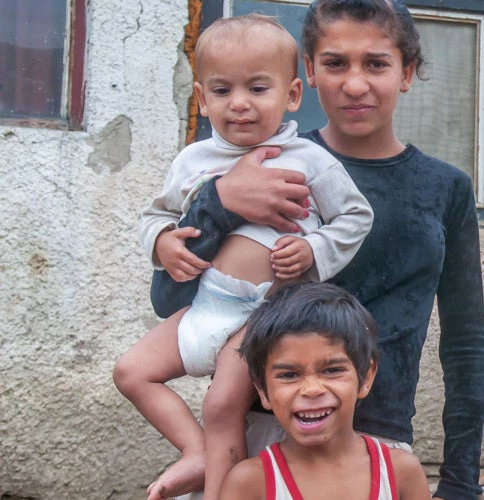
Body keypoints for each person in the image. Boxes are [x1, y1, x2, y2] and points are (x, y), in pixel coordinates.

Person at [154, 1, 484, 498]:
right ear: (307, 73)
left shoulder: (445, 188)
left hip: (380, 440)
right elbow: (171, 299)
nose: (355, 84)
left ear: (407, 72)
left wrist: (461, 482)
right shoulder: (263, 162)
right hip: (262, 436)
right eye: (335, 63)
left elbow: (464, 343)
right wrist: (217, 204)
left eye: (376, 63)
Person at [115, 14, 373, 500]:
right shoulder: (191, 161)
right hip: (204, 306)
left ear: (292, 94)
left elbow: (356, 217)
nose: (239, 104)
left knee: (220, 406)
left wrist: (315, 250)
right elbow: (155, 216)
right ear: (200, 98)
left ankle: (216, 494)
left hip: (258, 316)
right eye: (221, 90)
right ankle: (193, 452)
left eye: (258, 88)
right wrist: (163, 242)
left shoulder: (309, 159)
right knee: (131, 371)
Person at [221, 282, 430, 499]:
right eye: (289, 375)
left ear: (367, 376)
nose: (312, 389)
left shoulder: (401, 473)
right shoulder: (251, 483)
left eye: (332, 370)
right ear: (262, 390)